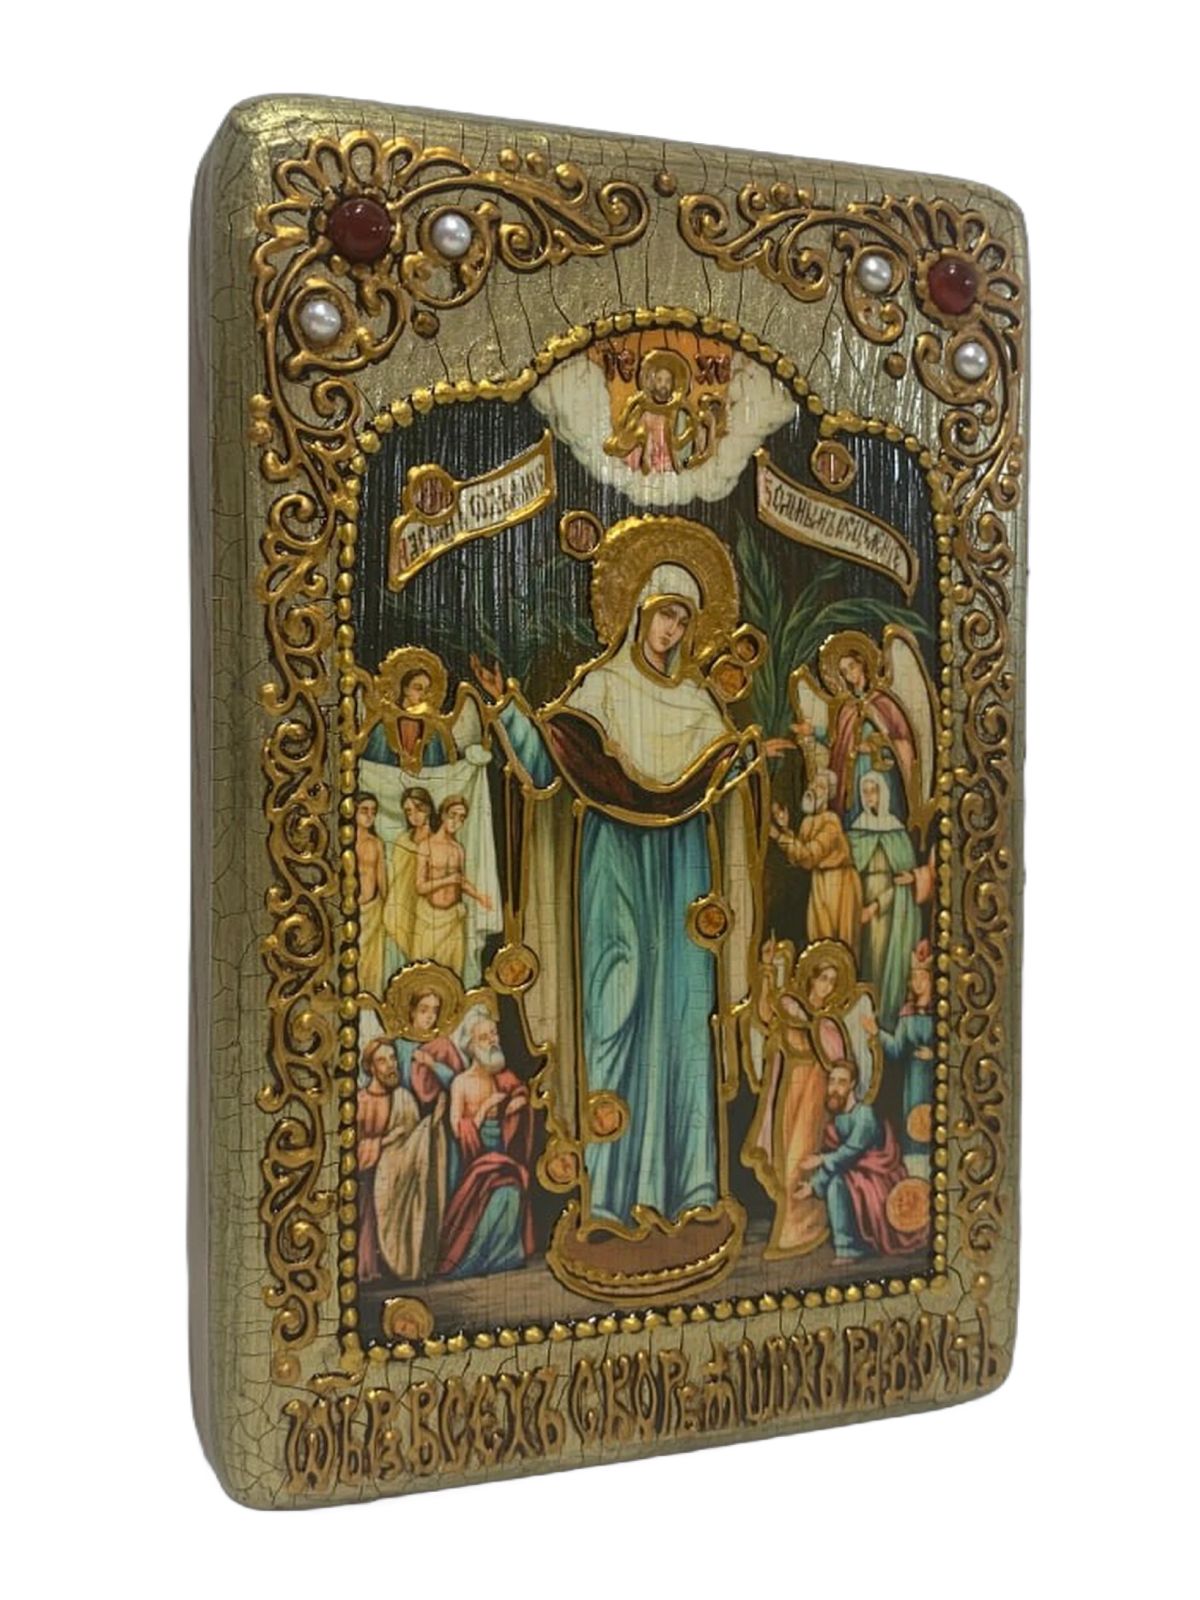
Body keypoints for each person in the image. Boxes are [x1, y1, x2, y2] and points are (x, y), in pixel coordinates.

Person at [472, 524, 760, 1281]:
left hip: (681, 877)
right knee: (615, 1008)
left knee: (684, 1020)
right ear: (637, 614)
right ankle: (609, 1200)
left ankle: (692, 1192)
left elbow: (723, 781)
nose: (671, 631)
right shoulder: (599, 691)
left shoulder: (699, 704)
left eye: (682, 619)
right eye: (663, 614)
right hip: (614, 874)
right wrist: (506, 709)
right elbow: (548, 768)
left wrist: (751, 765)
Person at [745, 956, 842, 1258]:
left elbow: (837, 1059)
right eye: (823, 978)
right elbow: (764, 1015)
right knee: (782, 1157)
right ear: (811, 978)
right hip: (786, 1093)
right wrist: (766, 973)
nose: (826, 987)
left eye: (832, 982)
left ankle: (800, 1230)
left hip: (813, 1094)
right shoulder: (791, 1006)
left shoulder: (829, 1024)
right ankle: (792, 1226)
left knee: (800, 1160)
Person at [793, 1060, 925, 1263]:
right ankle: (851, 1245)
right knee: (838, 1181)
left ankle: (848, 1249)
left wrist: (820, 1160)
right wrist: (813, 1186)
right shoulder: (837, 1120)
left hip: (878, 1177)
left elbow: (851, 1152)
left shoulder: (864, 1114)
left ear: (852, 1085)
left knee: (837, 1184)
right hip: (856, 1175)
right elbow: (840, 1162)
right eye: (832, 1081)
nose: (835, 1088)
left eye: (841, 1082)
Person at [436, 1005, 534, 1278]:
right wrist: (483, 1110)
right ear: (470, 1046)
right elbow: (458, 1128)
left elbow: (521, 1094)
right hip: (475, 1158)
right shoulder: (461, 1083)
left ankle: (505, 1256)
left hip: (502, 1152)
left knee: (511, 1190)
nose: (492, 1041)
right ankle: (476, 1259)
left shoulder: (502, 1077)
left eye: (494, 1034)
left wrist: (516, 1104)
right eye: (484, 1037)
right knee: (496, 1193)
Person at [798, 645, 918, 827]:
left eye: (852, 667)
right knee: (856, 820)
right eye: (844, 672)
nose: (849, 675)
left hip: (881, 771)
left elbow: (902, 740)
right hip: (853, 773)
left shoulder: (883, 702)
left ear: (862, 664)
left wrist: (875, 745)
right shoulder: (848, 708)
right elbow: (837, 741)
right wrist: (813, 731)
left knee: (883, 816)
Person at [848, 772, 920, 1029]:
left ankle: (882, 1018)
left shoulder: (896, 831)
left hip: (887, 913)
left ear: (884, 793)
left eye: (874, 791)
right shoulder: (856, 830)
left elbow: (901, 882)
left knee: (882, 963)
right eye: (865, 792)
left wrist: (876, 906)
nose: (869, 797)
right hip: (858, 907)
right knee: (861, 962)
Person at [864, 940, 935, 1177]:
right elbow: (896, 1049)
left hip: (934, 1080)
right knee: (913, 1126)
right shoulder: (907, 1013)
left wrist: (934, 1055)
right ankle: (914, 1174)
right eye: (914, 978)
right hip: (913, 1082)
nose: (917, 983)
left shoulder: (940, 1013)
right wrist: (876, 1032)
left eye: (922, 977)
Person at [769, 769, 862, 948]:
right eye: (812, 784)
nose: (812, 789)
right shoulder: (807, 822)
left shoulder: (831, 822)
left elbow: (810, 855)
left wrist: (779, 837)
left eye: (819, 787)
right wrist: (785, 829)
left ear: (828, 795)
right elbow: (799, 858)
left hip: (839, 883)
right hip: (819, 881)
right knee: (818, 938)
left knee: (836, 940)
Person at [356, 1038, 421, 1282]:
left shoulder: (404, 1099)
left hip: (397, 1183)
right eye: (382, 1061)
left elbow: (416, 1147)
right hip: (364, 1179)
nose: (391, 1065)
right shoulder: (359, 1101)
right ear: (371, 1067)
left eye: (393, 1058)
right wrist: (386, 1141)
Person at [411, 795, 494, 978]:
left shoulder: (458, 849)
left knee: (453, 974)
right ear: (442, 815)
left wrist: (479, 896)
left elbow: (461, 881)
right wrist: (447, 880)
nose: (456, 822)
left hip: (454, 919)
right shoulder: (426, 846)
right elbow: (420, 887)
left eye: (461, 818)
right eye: (453, 815)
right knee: (425, 975)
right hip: (430, 919)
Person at [354, 794, 388, 995]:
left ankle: (369, 997)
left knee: (371, 961)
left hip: (372, 910)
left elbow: (381, 876)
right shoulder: (345, 842)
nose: (369, 816)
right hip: (350, 910)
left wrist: (387, 906)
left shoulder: (376, 843)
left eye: (373, 812)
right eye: (364, 811)